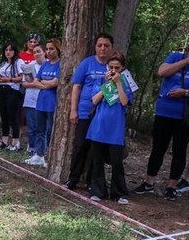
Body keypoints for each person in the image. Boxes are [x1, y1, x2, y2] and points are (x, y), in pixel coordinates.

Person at [133, 33, 189, 200]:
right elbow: (161, 72)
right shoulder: (176, 56)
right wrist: (187, 61)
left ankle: (171, 186)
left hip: (185, 115)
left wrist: (185, 92)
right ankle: (149, 182)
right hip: (164, 111)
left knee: (179, 150)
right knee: (158, 147)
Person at [65, 32, 114, 189]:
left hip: (104, 114)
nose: (102, 48)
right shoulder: (87, 63)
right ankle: (73, 178)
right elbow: (76, 87)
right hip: (85, 111)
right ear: (95, 47)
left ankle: (92, 181)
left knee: (96, 148)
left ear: (111, 48)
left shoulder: (113, 66)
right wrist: (73, 110)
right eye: (99, 45)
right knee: (81, 145)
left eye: (106, 45)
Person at [86, 52, 134, 204]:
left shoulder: (127, 83)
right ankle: (97, 191)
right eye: (111, 67)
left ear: (123, 68)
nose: (113, 70)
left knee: (116, 161)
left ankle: (119, 193)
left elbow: (125, 102)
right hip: (99, 127)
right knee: (97, 160)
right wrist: (106, 85)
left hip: (116, 128)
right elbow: (94, 100)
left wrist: (118, 83)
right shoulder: (101, 80)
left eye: (117, 68)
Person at [25, 41, 60, 167]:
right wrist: (46, 84)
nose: (48, 51)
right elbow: (35, 81)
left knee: (51, 130)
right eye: (47, 49)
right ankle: (39, 155)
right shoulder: (45, 64)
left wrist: (44, 83)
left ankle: (50, 157)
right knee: (40, 130)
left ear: (58, 49)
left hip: (52, 102)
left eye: (52, 49)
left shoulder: (60, 64)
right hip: (40, 102)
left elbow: (55, 83)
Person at [0, 41, 24, 150]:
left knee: (13, 117)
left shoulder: (19, 62)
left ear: (15, 51)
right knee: (4, 116)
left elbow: (22, 77)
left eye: (10, 50)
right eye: (6, 50)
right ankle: (4, 141)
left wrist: (10, 79)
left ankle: (16, 142)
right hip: (2, 90)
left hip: (13, 90)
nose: (8, 52)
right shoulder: (3, 63)